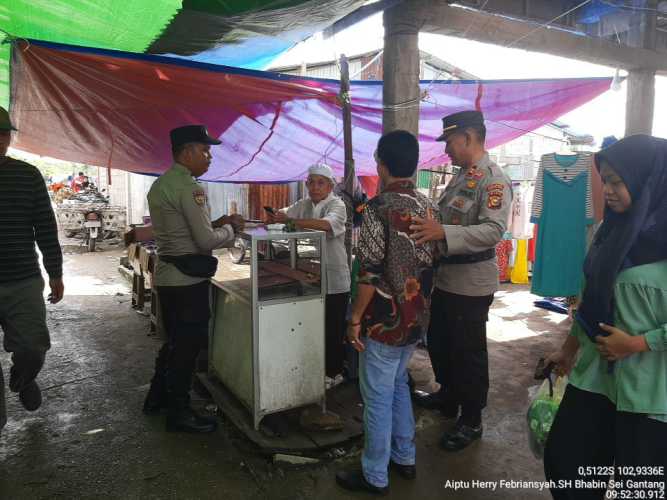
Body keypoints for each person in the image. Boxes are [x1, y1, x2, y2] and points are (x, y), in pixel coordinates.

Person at [544, 135, 667, 500]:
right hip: (596, 378)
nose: (608, 191)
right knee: (568, 466)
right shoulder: (608, 231)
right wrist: (567, 350)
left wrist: (638, 343)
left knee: (640, 489)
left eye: (617, 181)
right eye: (606, 180)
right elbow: (590, 299)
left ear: (647, 179)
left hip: (649, 392)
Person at [335, 130, 440, 495]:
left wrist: (354, 319)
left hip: (384, 321)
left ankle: (374, 474)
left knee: (378, 395)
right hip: (417, 319)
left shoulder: (378, 208)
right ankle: (404, 457)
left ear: (381, 164)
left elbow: (368, 272)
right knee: (397, 386)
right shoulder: (429, 207)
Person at [410, 110, 512, 451]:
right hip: (447, 276)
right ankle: (448, 396)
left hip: (471, 281)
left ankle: (471, 419)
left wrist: (443, 232)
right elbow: (445, 216)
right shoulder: (461, 176)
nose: (447, 149)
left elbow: (493, 230)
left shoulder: (492, 179)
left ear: (468, 137)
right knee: (440, 341)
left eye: (450, 142)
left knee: (468, 351)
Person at [143, 125, 244, 433]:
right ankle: (179, 411)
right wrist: (233, 230)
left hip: (167, 277)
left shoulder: (161, 185)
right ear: (187, 152)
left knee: (174, 341)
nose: (209, 157)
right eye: (205, 150)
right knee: (188, 345)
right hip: (187, 282)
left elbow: (184, 229)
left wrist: (218, 222)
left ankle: (157, 397)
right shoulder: (191, 187)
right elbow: (204, 242)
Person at [0, 106, 64, 435]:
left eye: (2, 134)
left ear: (9, 138)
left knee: (32, 348)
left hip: (23, 280)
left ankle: (23, 378)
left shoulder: (28, 176)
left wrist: (55, 272)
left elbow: (45, 228)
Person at [268, 164, 351, 384]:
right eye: (311, 182)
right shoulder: (304, 204)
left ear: (330, 186)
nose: (315, 187)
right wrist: (276, 215)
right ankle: (316, 368)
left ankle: (335, 373)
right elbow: (285, 213)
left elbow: (326, 225)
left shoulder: (337, 205)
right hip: (310, 274)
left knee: (333, 328)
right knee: (313, 324)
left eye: (320, 183)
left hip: (334, 277)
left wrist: (290, 221)